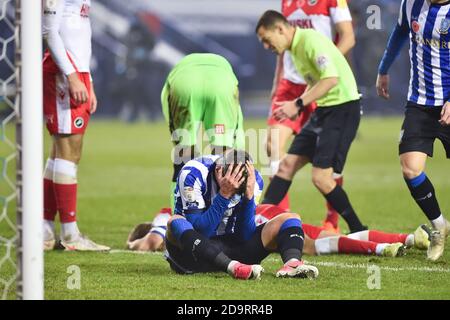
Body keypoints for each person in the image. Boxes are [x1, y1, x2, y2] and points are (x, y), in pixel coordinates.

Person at [256, 10, 366, 234]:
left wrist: (297, 104)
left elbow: (331, 78)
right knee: (286, 167)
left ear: (280, 29)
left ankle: (357, 229)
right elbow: (317, 80)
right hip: (324, 110)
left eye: (267, 40)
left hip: (342, 109)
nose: (266, 47)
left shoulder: (310, 41)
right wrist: (300, 104)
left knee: (321, 178)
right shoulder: (295, 48)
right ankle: (258, 220)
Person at [163, 150, 319, 280]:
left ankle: (292, 264)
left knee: (291, 218)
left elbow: (244, 235)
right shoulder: (193, 173)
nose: (234, 187)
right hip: (194, 254)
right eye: (231, 182)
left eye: (238, 188)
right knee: (175, 222)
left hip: (235, 248)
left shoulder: (254, 180)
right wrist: (224, 195)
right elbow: (200, 231)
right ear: (218, 170)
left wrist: (248, 198)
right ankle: (233, 268)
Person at [376, 0, 450, 261]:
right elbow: (399, 31)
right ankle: (439, 226)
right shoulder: (411, 4)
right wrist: (383, 68)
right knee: (410, 168)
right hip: (419, 103)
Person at [42, 0, 109, 251]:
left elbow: (81, 33)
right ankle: (70, 235)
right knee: (69, 151)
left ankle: (45, 229)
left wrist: (87, 79)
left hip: (76, 71)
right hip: (63, 72)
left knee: (60, 152)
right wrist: (71, 76)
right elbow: (49, 30)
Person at [127, 205, 431, 257]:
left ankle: (384, 247)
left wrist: (133, 243)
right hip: (269, 211)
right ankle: (407, 237)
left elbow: (151, 242)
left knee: (318, 245)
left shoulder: (167, 216)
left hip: (262, 222)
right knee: (323, 238)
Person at [161, 53, 245, 209]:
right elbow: (238, 141)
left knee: (184, 154)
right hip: (222, 82)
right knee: (224, 154)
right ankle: (223, 216)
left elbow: (168, 110)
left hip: (184, 80)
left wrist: (183, 142)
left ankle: (179, 215)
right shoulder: (226, 71)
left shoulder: (178, 70)